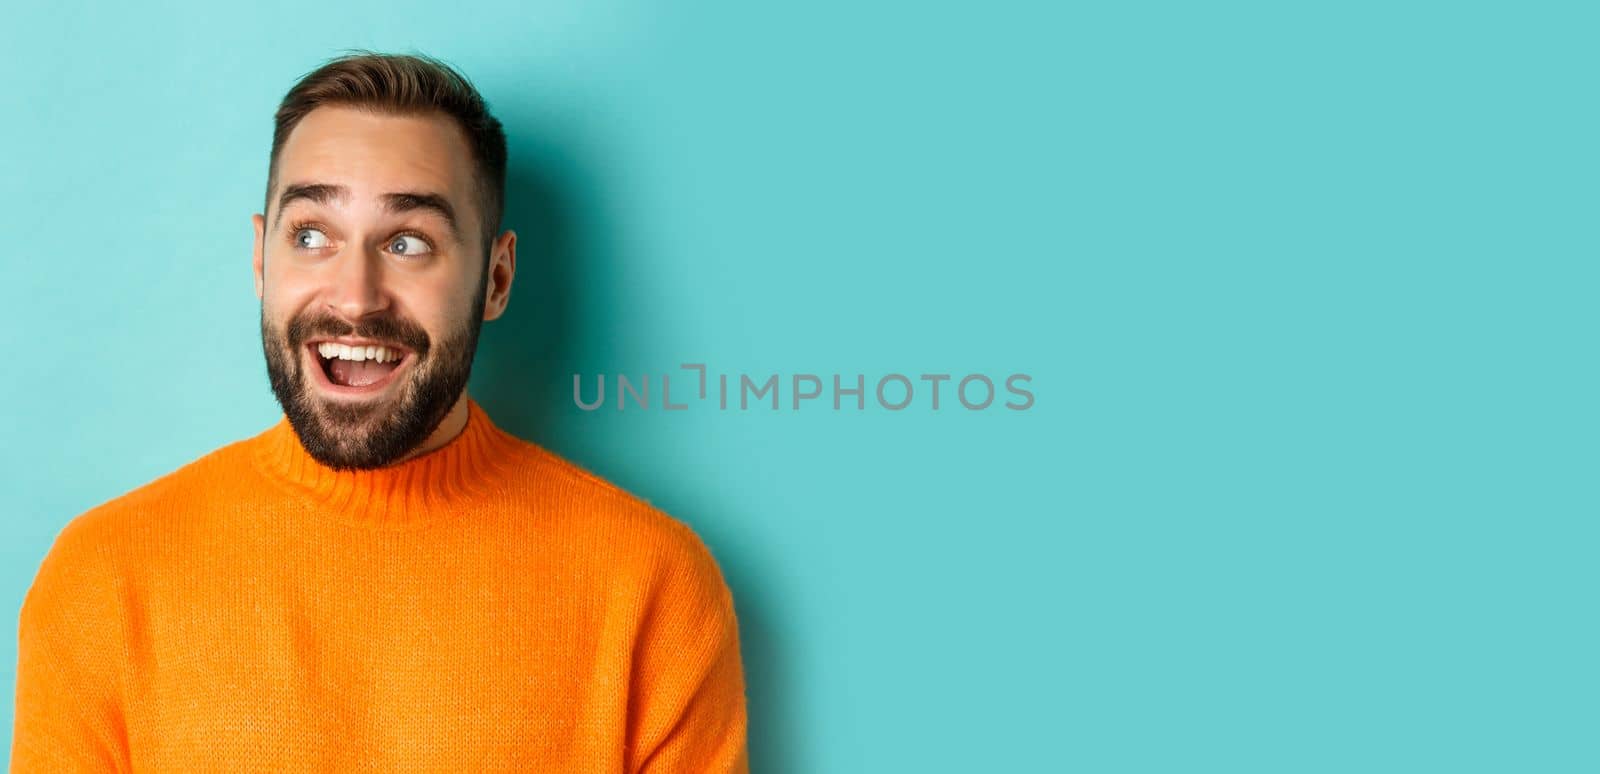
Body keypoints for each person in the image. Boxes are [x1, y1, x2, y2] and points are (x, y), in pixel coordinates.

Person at [10, 52, 748, 772]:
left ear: (495, 279)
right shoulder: (103, 581)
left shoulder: (651, 589)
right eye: (311, 236)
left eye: (407, 242)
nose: (356, 296)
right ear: (262, 260)